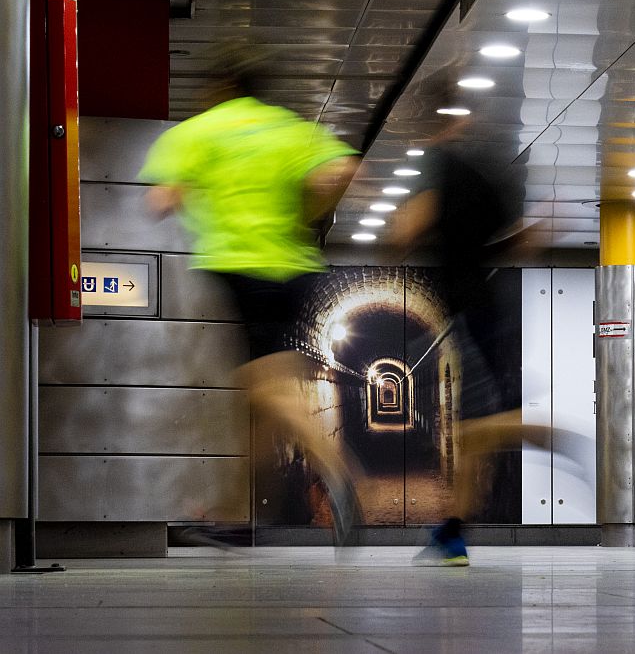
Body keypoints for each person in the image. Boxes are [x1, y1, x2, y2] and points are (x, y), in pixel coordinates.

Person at [138, 45, 363, 544]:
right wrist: (307, 212)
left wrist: (192, 198)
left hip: (241, 266)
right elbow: (344, 170)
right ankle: (237, 516)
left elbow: (160, 198)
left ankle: (336, 469)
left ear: (219, 89)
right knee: (259, 401)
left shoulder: (201, 130)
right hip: (297, 267)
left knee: (262, 388)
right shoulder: (291, 128)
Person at [391, 82, 593, 566]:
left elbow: (406, 230)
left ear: (427, 119)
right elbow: (509, 245)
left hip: (467, 310)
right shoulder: (486, 174)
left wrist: (404, 226)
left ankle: (558, 438)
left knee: (478, 428)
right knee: (469, 428)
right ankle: (452, 534)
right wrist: (541, 228)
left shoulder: (440, 167)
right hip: (488, 309)